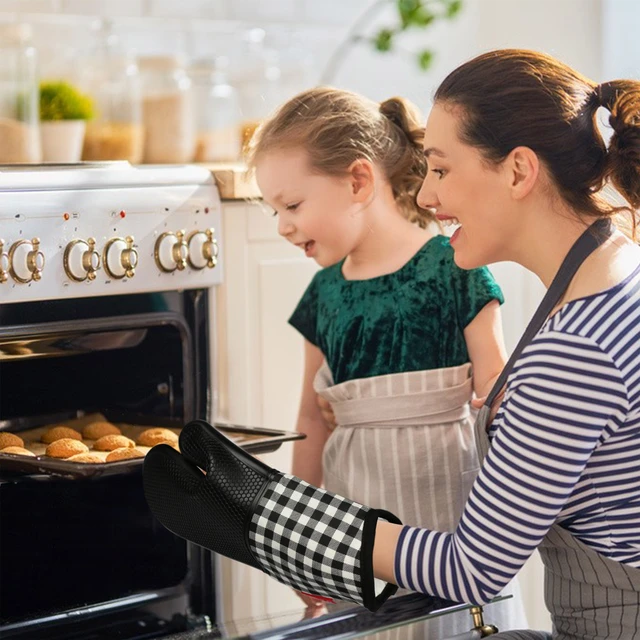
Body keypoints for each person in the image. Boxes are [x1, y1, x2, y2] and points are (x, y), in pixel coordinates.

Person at [144, 49, 640, 640]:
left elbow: (473, 568)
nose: (428, 196)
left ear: (517, 171)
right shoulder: (617, 273)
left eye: (441, 168)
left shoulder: (575, 350)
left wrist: (268, 515)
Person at [245, 86, 526, 633]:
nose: (282, 225)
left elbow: (498, 388)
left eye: (293, 205)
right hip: (358, 528)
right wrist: (305, 538)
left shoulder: (453, 265)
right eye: (274, 209)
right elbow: (310, 420)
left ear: (358, 181)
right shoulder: (322, 296)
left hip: (454, 519)